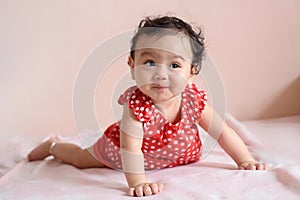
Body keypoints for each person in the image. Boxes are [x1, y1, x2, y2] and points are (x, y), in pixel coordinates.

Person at [27, 15, 269, 197]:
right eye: (150, 62)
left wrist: (244, 159)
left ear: (191, 72)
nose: (161, 74)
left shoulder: (193, 100)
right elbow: (130, 149)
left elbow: (222, 131)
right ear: (132, 66)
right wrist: (138, 181)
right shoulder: (137, 106)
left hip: (177, 157)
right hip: (117, 152)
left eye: (174, 65)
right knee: (80, 158)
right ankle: (53, 146)